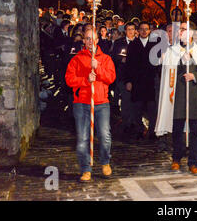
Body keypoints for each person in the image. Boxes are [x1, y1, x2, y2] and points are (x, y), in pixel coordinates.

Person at [155, 22, 197, 175]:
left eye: (184, 29)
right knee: (177, 131)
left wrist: (195, 75)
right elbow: (167, 72)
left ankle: (193, 162)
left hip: (194, 97)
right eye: (180, 29)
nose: (181, 31)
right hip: (178, 97)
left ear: (192, 32)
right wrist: (181, 59)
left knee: (195, 131)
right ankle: (176, 158)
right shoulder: (173, 51)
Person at [65, 28, 116, 182]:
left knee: (105, 136)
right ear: (84, 40)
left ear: (97, 40)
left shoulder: (106, 59)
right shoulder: (76, 59)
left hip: (101, 103)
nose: (89, 41)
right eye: (87, 38)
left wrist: (98, 67)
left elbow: (111, 78)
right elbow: (69, 79)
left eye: (92, 38)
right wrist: (85, 80)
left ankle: (105, 162)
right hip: (82, 103)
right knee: (82, 139)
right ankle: (85, 168)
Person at [122, 21, 158, 142]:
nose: (144, 31)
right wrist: (128, 81)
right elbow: (128, 65)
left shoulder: (154, 44)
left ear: (149, 31)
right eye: (141, 29)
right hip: (137, 82)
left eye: (146, 29)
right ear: (138, 31)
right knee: (137, 108)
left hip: (150, 82)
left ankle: (153, 131)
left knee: (152, 109)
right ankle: (139, 130)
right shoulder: (133, 45)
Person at [111, 22, 136, 121]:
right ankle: (126, 121)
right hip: (122, 75)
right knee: (125, 99)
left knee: (135, 101)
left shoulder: (138, 42)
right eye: (128, 29)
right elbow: (113, 56)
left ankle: (134, 121)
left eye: (132, 29)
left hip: (135, 77)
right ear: (125, 31)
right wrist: (121, 59)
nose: (130, 32)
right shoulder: (119, 42)